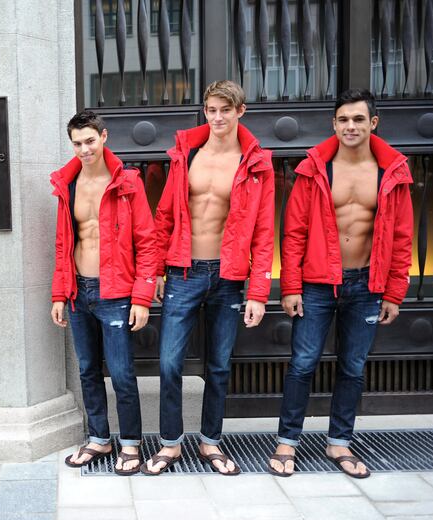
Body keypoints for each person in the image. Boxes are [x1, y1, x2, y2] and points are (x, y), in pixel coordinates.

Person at [269, 89, 413, 479]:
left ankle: (340, 443)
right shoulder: (315, 168)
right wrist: (291, 286)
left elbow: (402, 237)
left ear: (373, 123)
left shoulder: (391, 172)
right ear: (334, 124)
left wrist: (394, 291)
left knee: (352, 367)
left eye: (359, 120)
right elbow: (294, 232)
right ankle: (288, 441)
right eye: (344, 120)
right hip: (316, 284)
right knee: (302, 363)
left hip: (367, 285)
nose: (351, 126)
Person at [143, 80, 275, 476]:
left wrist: (258, 292)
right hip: (183, 272)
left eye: (225, 110)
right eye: (211, 110)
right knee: (169, 363)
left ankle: (211, 443)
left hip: (229, 277)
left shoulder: (255, 163)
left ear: (241, 112)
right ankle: (170, 444)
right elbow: (164, 216)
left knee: (218, 366)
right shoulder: (188, 154)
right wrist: (156, 272)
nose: (217, 117)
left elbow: (265, 232)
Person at [51, 110, 156, 476]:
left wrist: (142, 297)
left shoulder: (127, 182)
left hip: (116, 293)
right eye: (77, 143)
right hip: (80, 292)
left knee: (123, 373)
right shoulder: (68, 185)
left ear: (104, 137)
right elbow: (64, 243)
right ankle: (99, 438)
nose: (84, 149)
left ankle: (130, 443)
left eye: (90, 141)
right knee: (87, 370)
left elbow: (147, 240)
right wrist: (59, 294)